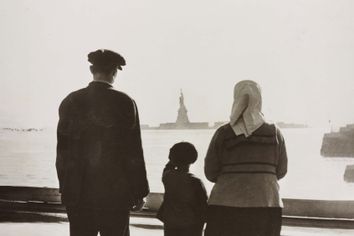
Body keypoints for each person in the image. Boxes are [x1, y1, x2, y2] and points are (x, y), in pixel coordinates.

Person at [56, 49, 149, 236]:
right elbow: (133, 152)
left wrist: (66, 187)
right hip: (114, 193)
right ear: (114, 72)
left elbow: (62, 152)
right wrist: (140, 191)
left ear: (92, 70)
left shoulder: (70, 101)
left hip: (78, 193)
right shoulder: (124, 102)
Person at [204, 80, 288, 236]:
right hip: (266, 203)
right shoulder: (275, 132)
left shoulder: (223, 133)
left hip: (225, 205)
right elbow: (282, 171)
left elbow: (210, 172)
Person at [157, 142, 208, 236]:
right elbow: (203, 207)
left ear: (171, 158)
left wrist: (172, 159)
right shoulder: (196, 182)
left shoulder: (167, 177)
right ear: (193, 159)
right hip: (191, 225)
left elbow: (167, 167)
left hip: (170, 223)